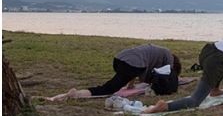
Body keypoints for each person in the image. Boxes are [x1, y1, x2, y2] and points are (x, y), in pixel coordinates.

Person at [143, 39, 223, 114]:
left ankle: (215, 90)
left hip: (208, 50)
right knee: (195, 101)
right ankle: (165, 106)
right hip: (218, 58)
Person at [52, 44, 181, 100]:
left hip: (120, 58)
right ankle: (77, 94)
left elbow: (138, 69)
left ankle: (78, 93)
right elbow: (166, 76)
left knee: (116, 82)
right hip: (132, 64)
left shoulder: (158, 51)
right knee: (108, 89)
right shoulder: (168, 56)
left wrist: (130, 85)